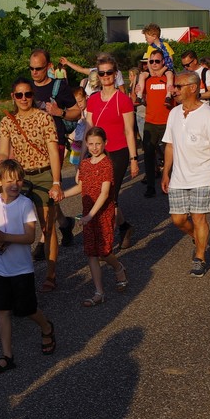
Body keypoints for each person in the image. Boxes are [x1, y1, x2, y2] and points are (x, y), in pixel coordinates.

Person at [0, 161, 56, 374]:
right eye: (9, 180)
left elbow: (29, 237)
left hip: (21, 269)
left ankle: (46, 327)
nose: (15, 184)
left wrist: (4, 237)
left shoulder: (25, 204)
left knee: (27, 309)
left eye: (19, 180)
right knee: (2, 310)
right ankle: (7, 356)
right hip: (0, 269)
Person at [0, 78, 66, 291]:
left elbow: (53, 152)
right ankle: (17, 271)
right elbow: (3, 152)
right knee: (14, 225)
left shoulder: (44, 118)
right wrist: (1, 173)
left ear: (33, 95)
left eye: (28, 94)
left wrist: (56, 182)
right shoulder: (7, 121)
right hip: (19, 178)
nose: (24, 98)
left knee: (47, 226)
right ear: (13, 97)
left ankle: (51, 274)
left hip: (43, 174)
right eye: (19, 95)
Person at [161, 70, 210, 277]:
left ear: (192, 88)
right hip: (179, 176)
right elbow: (170, 145)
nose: (174, 90)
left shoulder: (207, 114)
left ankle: (200, 257)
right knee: (178, 219)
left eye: (178, 86)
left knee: (199, 218)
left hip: (203, 174)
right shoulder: (174, 113)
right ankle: (198, 238)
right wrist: (166, 173)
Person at [63, 128, 127, 305]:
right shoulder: (84, 164)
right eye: (90, 144)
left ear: (105, 143)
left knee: (104, 252)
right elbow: (81, 187)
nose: (94, 147)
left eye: (98, 143)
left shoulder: (107, 164)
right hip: (88, 214)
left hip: (102, 213)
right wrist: (63, 194)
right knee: (91, 253)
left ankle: (118, 267)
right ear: (86, 144)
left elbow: (105, 193)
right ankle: (99, 292)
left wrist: (90, 215)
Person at [26, 51, 81, 256]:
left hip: (54, 144)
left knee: (47, 191)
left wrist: (60, 113)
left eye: (38, 68)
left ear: (48, 66)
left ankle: (44, 240)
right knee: (39, 192)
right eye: (31, 68)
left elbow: (77, 112)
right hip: (31, 147)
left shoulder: (59, 87)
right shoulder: (26, 88)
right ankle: (64, 223)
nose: (34, 72)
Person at [84, 54, 140, 246]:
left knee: (108, 195)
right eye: (102, 73)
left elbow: (129, 131)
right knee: (104, 196)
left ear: (116, 74)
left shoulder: (123, 100)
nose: (106, 76)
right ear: (98, 75)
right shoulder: (93, 99)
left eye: (109, 72)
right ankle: (124, 227)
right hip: (97, 153)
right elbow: (89, 129)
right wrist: (84, 156)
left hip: (118, 152)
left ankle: (105, 241)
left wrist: (134, 159)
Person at [137, 50, 174, 198]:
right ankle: (151, 186)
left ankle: (170, 184)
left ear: (163, 62)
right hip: (150, 122)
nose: (154, 64)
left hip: (167, 122)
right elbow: (138, 97)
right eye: (151, 61)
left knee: (169, 155)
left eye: (157, 61)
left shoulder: (169, 76)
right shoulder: (146, 78)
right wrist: (138, 92)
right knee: (148, 154)